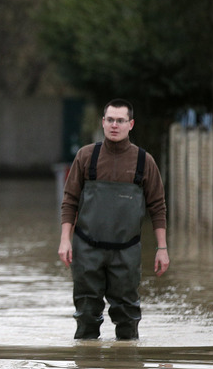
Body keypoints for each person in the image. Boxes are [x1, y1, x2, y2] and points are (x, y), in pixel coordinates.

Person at [57, 99, 170, 340]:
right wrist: (65, 240)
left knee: (128, 317)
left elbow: (158, 208)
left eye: (120, 121)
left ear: (131, 124)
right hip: (87, 250)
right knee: (86, 315)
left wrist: (162, 248)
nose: (114, 125)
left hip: (127, 251)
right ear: (103, 122)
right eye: (110, 120)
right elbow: (69, 201)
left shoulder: (144, 161)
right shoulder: (86, 156)